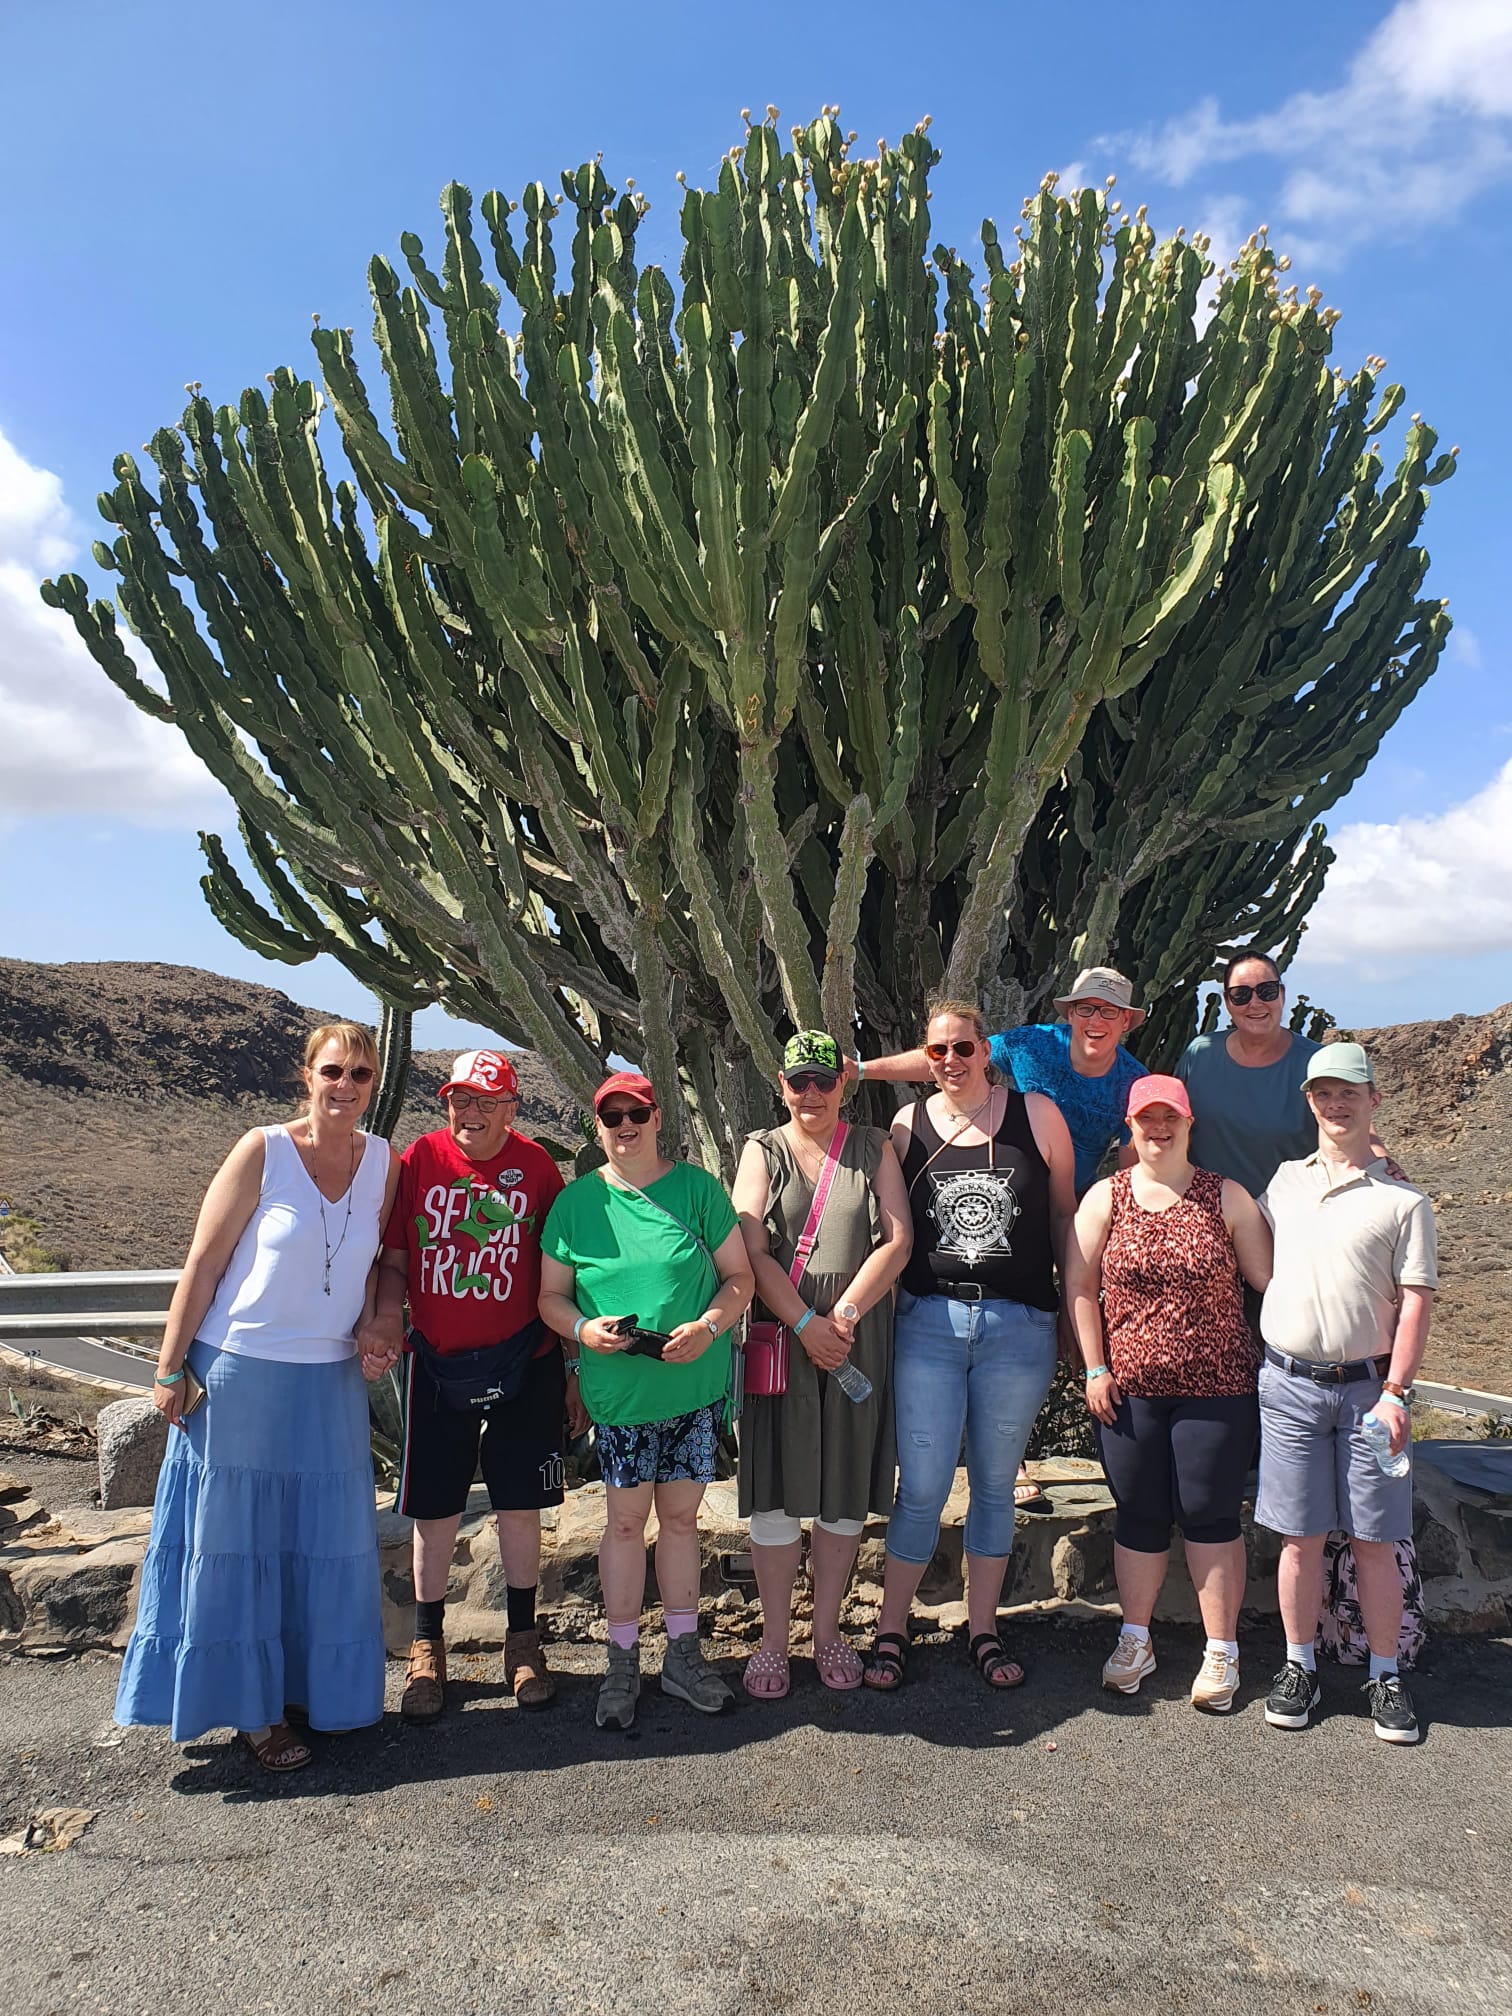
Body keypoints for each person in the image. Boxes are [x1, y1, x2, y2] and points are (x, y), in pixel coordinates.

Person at [116, 1024, 401, 1771]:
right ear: (306, 1076)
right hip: (240, 1372)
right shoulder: (263, 1151)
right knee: (239, 1548)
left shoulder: (382, 1161)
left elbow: (374, 1264)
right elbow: (203, 1264)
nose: (347, 1086)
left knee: (323, 1543)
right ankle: (254, 1714)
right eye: (333, 1071)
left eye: (361, 1074)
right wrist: (169, 1366)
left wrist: (376, 1322)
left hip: (331, 1377)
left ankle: (313, 1693)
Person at [852, 966, 1147, 1508]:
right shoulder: (1032, 1044)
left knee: (1047, 1336)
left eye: (1109, 1011)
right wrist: (860, 1070)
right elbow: (951, 1055)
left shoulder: (1133, 1081)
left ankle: (1106, 1463)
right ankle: (1006, 1468)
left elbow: (1134, 1160)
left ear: (1127, 1020)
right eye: (1086, 1008)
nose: (1096, 1019)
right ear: (1070, 1013)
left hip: (1065, 1211)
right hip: (1002, 1183)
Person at [359, 1049, 582, 1723]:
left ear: (512, 1108)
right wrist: (385, 1317)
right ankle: (428, 1648)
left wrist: (571, 1368)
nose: (472, 1112)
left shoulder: (537, 1169)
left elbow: (559, 1274)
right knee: (434, 1512)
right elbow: (396, 1260)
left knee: (519, 1507)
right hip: (436, 1357)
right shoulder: (419, 1160)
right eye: (461, 1099)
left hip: (525, 1356)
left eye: (487, 1101)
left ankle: (522, 1641)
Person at [862, 1000, 1076, 1692]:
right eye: (936, 1051)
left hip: (1019, 1329)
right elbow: (893, 1234)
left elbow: (1065, 1220)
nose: (949, 1061)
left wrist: (1075, 1317)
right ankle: (891, 1629)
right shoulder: (907, 1126)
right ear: (924, 1059)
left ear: (987, 1050)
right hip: (929, 1325)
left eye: (962, 1047)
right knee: (920, 1486)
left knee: (993, 1484)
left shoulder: (1036, 1117)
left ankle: (983, 1628)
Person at [539, 1073, 755, 1731]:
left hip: (692, 1391)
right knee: (627, 1524)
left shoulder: (696, 1192)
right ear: (597, 1128)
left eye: (637, 1113)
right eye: (613, 1117)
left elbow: (740, 1278)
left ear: (659, 1118)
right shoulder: (576, 1205)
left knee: (683, 1522)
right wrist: (583, 1331)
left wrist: (708, 1327)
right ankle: (623, 1662)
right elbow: (551, 1297)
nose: (626, 1126)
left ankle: (685, 1657)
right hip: (622, 1397)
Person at [1067, 1075, 1273, 1711]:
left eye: (1170, 1117)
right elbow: (1078, 1286)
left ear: (1189, 1123)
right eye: (1146, 1119)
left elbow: (1270, 1280)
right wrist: (1094, 1368)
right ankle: (1136, 1639)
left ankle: (1221, 1649)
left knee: (1210, 1513)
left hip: (1217, 1387)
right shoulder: (1107, 1198)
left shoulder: (1226, 1197)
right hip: (1129, 1390)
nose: (1159, 1129)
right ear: (1130, 1126)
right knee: (1139, 1512)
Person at [1254, 1044, 1437, 1745]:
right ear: (1310, 1102)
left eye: (1350, 1093)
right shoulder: (1283, 1183)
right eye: (1324, 1093)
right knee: (1299, 1540)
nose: (1337, 1104)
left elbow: (1415, 1306)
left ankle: (1385, 1676)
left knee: (1374, 1540)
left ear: (1373, 1102)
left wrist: (1397, 1391)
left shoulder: (1403, 1199)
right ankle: (1299, 1666)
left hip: (1370, 1393)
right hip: (1290, 1385)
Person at [731, 1031, 913, 1699]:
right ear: (781, 1083)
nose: (812, 1092)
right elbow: (751, 1247)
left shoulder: (873, 1147)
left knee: (842, 1491)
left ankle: (827, 1633)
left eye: (824, 1080)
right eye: (799, 1080)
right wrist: (804, 1323)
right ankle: (774, 1641)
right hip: (783, 1337)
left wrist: (846, 1315)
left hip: (854, 1333)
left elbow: (898, 1239)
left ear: (844, 1083)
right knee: (776, 1493)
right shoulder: (762, 1149)